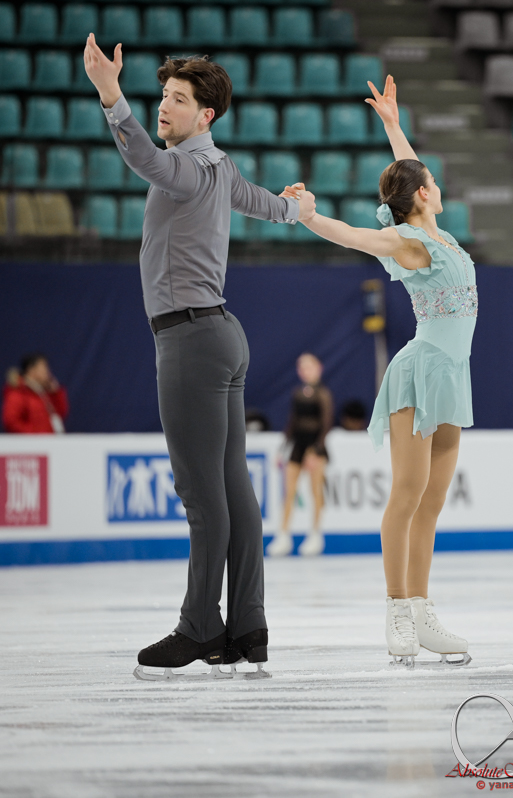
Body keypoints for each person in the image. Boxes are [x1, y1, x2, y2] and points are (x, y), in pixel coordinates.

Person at [83, 35, 315, 680]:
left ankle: (200, 627)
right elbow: (269, 206)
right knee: (233, 490)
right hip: (221, 337)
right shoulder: (222, 167)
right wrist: (297, 207)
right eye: (163, 95)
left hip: (189, 341)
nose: (164, 106)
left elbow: (143, 158)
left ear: (205, 115)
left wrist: (110, 94)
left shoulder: (185, 167)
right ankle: (249, 626)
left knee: (202, 494)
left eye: (178, 100)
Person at [282, 75, 474, 668]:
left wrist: (393, 124)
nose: (436, 186)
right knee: (407, 494)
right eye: (430, 183)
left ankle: (422, 609)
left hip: (453, 376)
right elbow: (353, 235)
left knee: (433, 502)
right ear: (422, 196)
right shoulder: (411, 242)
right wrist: (309, 217)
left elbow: (409, 172)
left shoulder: (438, 234)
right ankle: (396, 608)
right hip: (420, 374)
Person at [268, 353, 334, 558]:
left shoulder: (323, 394)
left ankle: (315, 534)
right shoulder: (297, 393)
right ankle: (283, 535)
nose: (305, 371)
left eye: (309, 367)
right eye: (302, 368)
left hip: (315, 446)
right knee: (289, 492)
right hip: (297, 444)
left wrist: (314, 451)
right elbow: (293, 422)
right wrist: (282, 449)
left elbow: (326, 424)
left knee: (315, 492)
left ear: (318, 368)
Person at [2, 354, 68, 434]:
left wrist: (56, 394)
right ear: (31, 370)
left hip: (48, 440)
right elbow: (11, 422)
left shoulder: (44, 393)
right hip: (31, 441)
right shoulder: (18, 393)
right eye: (44, 368)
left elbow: (61, 413)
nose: (48, 372)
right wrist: (34, 435)